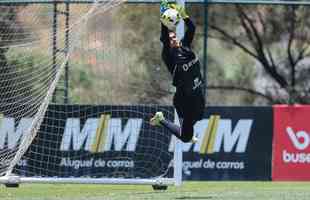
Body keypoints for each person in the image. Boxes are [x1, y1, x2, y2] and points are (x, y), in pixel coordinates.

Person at [150, 1, 205, 143]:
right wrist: (165, 16)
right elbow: (169, 35)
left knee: (197, 118)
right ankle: (161, 119)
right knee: (186, 136)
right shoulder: (172, 56)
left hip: (196, 92)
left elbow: (192, 28)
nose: (173, 39)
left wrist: (182, 13)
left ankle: (186, 130)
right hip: (184, 100)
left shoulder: (183, 46)